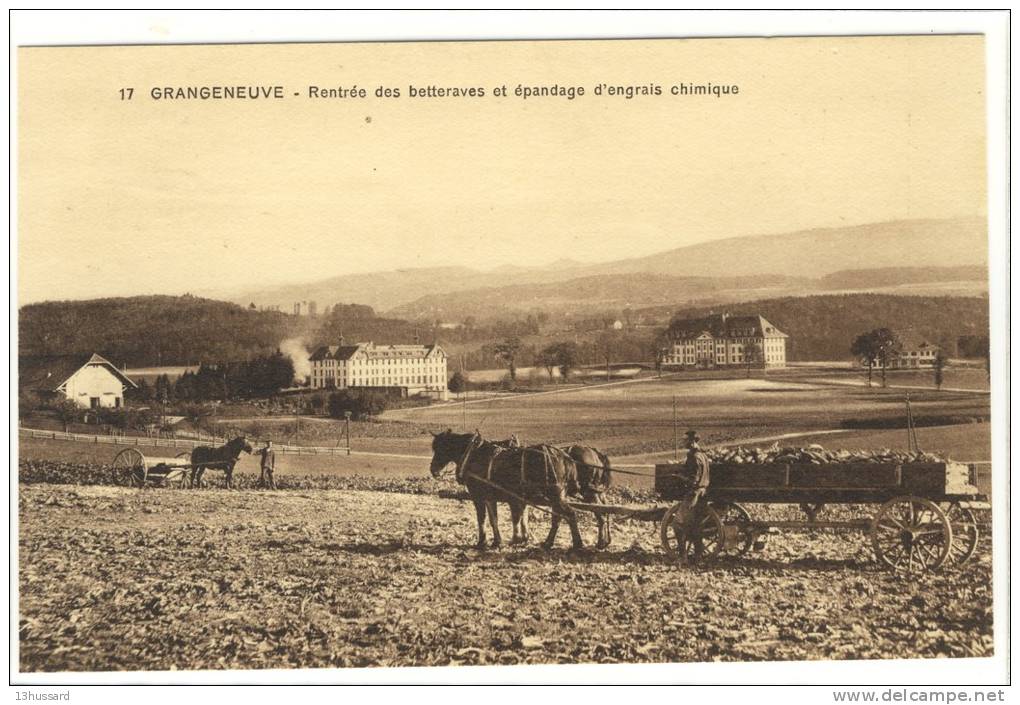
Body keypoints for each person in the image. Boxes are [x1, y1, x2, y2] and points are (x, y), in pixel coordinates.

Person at [676, 429, 711, 566]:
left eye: (685, 440)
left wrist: (680, 477)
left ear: (691, 441)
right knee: (697, 526)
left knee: (677, 525)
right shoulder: (704, 455)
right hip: (703, 493)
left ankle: (683, 557)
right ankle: (698, 557)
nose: (683, 442)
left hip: (693, 494)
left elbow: (693, 480)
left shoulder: (694, 457)